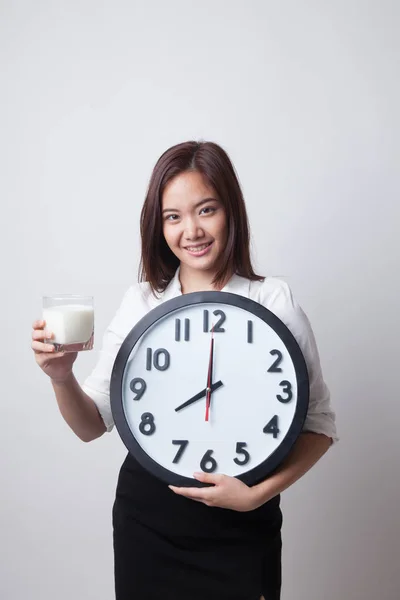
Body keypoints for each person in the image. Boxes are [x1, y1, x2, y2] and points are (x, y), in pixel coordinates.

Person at [32, 140, 338, 600]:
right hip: (148, 523)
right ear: (159, 226)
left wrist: (256, 496)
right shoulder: (141, 302)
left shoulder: (273, 301)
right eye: (173, 216)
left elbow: (319, 426)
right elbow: (92, 425)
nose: (190, 230)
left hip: (242, 521)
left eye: (206, 209)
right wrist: (61, 376)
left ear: (231, 210)